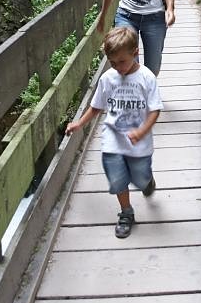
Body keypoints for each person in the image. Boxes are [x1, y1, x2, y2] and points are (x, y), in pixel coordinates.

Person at [66, 27, 162, 238]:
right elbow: (97, 106)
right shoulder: (108, 78)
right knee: (117, 179)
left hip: (139, 143)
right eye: (113, 63)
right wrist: (79, 123)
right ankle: (126, 212)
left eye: (122, 62)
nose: (118, 67)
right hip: (113, 139)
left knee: (139, 177)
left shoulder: (146, 78)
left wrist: (142, 131)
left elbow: (155, 110)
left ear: (135, 52)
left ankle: (147, 181)